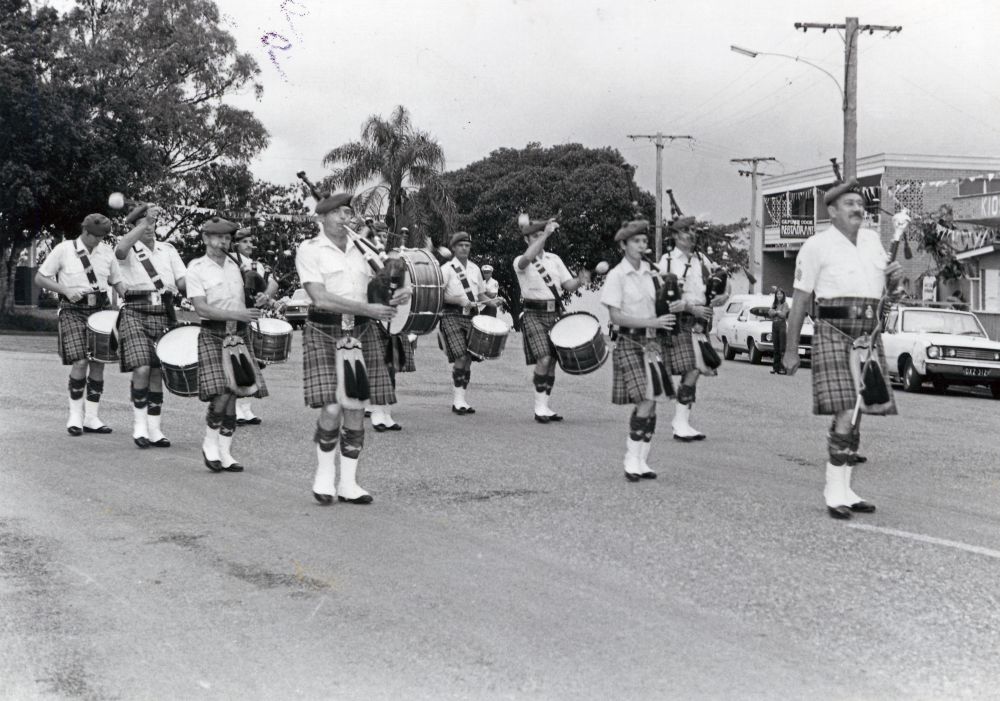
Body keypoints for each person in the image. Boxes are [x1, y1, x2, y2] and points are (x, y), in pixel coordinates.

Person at [783, 178, 904, 520]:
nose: (858, 209)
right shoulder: (816, 246)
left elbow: (889, 294)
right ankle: (833, 490)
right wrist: (791, 350)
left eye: (860, 204)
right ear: (832, 211)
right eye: (849, 204)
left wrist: (895, 279)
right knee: (845, 408)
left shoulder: (871, 242)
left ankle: (847, 488)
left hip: (869, 332)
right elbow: (800, 300)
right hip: (834, 330)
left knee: (859, 409)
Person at [296, 192, 410, 505]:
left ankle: (348, 483)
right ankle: (323, 474)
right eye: (339, 213)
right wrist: (371, 308)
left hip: (359, 330)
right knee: (332, 407)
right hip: (324, 327)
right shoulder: (309, 250)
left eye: (348, 213)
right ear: (323, 217)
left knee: (357, 406)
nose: (346, 218)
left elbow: (391, 280)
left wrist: (399, 292)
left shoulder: (365, 249)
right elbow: (319, 297)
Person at [185, 217, 268, 473]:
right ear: (205, 239)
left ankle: (225, 451)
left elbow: (264, 288)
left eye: (228, 238)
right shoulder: (196, 268)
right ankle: (210, 443)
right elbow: (200, 307)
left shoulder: (241, 266)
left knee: (236, 391)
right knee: (222, 390)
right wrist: (238, 315)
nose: (224, 242)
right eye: (218, 237)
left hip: (240, 333)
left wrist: (264, 296)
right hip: (213, 333)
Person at [35, 214, 124, 436]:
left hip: (101, 310)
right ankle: (75, 415)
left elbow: (117, 281)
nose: (100, 241)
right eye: (97, 236)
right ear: (85, 232)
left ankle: (91, 417)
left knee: (99, 362)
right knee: (80, 361)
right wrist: (65, 290)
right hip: (72, 310)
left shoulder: (106, 252)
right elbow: (40, 277)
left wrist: (130, 299)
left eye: (104, 236)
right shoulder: (64, 249)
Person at [601, 220, 676, 481]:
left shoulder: (653, 273)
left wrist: (676, 304)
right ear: (623, 244)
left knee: (653, 402)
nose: (642, 246)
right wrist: (651, 323)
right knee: (645, 398)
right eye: (636, 241)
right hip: (630, 341)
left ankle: (643, 459)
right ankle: (630, 458)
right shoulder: (617, 275)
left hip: (654, 343)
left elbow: (664, 306)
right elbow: (616, 317)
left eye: (644, 241)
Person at [114, 204, 187, 448]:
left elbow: (183, 281)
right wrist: (144, 222)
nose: (149, 227)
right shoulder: (128, 247)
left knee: (157, 371)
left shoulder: (168, 249)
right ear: (134, 227)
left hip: (163, 311)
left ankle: (155, 429)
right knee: (142, 368)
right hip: (134, 310)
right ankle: (140, 426)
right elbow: (121, 250)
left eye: (152, 223)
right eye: (143, 224)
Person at [657, 216, 730, 441]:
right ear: (676, 235)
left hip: (699, 323)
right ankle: (679, 421)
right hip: (679, 322)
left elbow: (723, 286)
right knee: (691, 368)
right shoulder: (667, 262)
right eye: (687, 230)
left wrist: (722, 297)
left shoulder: (702, 260)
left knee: (696, 369)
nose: (692, 234)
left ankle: (682, 422)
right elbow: (663, 298)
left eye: (694, 230)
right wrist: (692, 308)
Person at [514, 218, 590, 423]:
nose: (540, 239)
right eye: (535, 236)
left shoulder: (555, 259)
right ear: (526, 239)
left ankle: (545, 405)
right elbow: (526, 260)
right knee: (544, 358)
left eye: (541, 235)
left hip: (555, 314)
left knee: (553, 362)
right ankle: (539, 407)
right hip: (533, 314)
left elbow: (568, 284)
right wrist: (546, 233)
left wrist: (581, 281)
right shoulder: (521, 260)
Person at [439, 231, 502, 414]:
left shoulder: (475, 269)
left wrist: (492, 302)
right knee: (460, 356)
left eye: (467, 245)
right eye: (461, 245)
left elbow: (480, 294)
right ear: (453, 248)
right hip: (451, 315)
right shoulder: (446, 269)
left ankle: (462, 399)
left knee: (468, 359)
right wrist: (458, 300)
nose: (464, 248)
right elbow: (439, 295)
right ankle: (457, 401)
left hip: (472, 317)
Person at [231, 226, 279, 426]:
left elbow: (273, 284)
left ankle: (246, 408)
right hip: (233, 317)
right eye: (245, 242)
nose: (250, 245)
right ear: (235, 244)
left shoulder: (258, 266)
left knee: (253, 363)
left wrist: (265, 296)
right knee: (235, 363)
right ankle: (233, 408)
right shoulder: (229, 262)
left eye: (251, 242)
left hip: (252, 318)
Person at [768, 288, 790, 375]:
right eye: (777, 294)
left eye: (781, 294)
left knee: (782, 348)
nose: (779, 295)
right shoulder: (774, 304)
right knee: (776, 348)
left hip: (781, 326)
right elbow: (770, 313)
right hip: (774, 325)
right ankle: (775, 368)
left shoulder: (785, 304)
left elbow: (783, 315)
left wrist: (775, 312)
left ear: (783, 295)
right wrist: (777, 312)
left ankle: (783, 368)